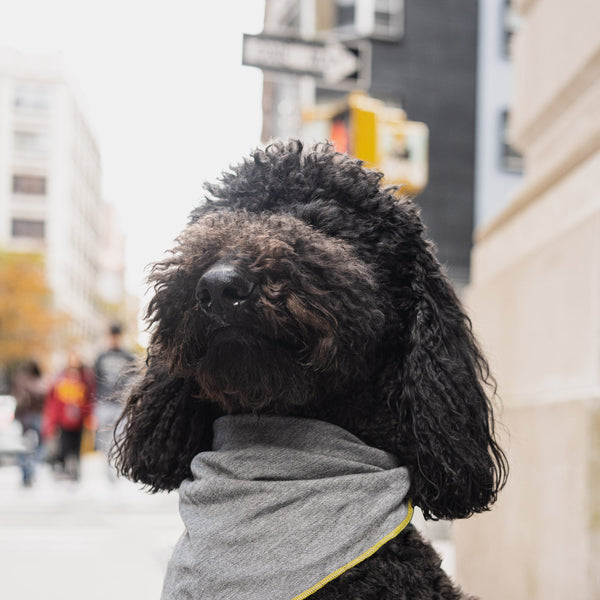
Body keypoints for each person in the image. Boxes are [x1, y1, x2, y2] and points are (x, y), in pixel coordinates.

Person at [42, 352, 95, 481]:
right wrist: (52, 423)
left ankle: (74, 472)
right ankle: (65, 470)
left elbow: (88, 402)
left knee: (76, 448)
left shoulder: (84, 383)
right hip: (64, 423)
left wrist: (88, 416)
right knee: (64, 447)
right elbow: (54, 405)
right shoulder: (61, 383)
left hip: (78, 422)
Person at [93, 323, 135, 458]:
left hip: (120, 403)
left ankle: (114, 465)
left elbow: (133, 379)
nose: (114, 340)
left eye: (116, 337)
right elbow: (94, 380)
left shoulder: (128, 357)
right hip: (103, 401)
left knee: (118, 436)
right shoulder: (101, 357)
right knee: (102, 437)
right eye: (111, 337)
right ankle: (106, 462)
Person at [10, 360, 48, 486]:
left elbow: (19, 399)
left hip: (26, 417)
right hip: (33, 416)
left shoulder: (21, 381)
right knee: (35, 446)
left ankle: (28, 472)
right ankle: (29, 471)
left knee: (26, 447)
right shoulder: (39, 382)